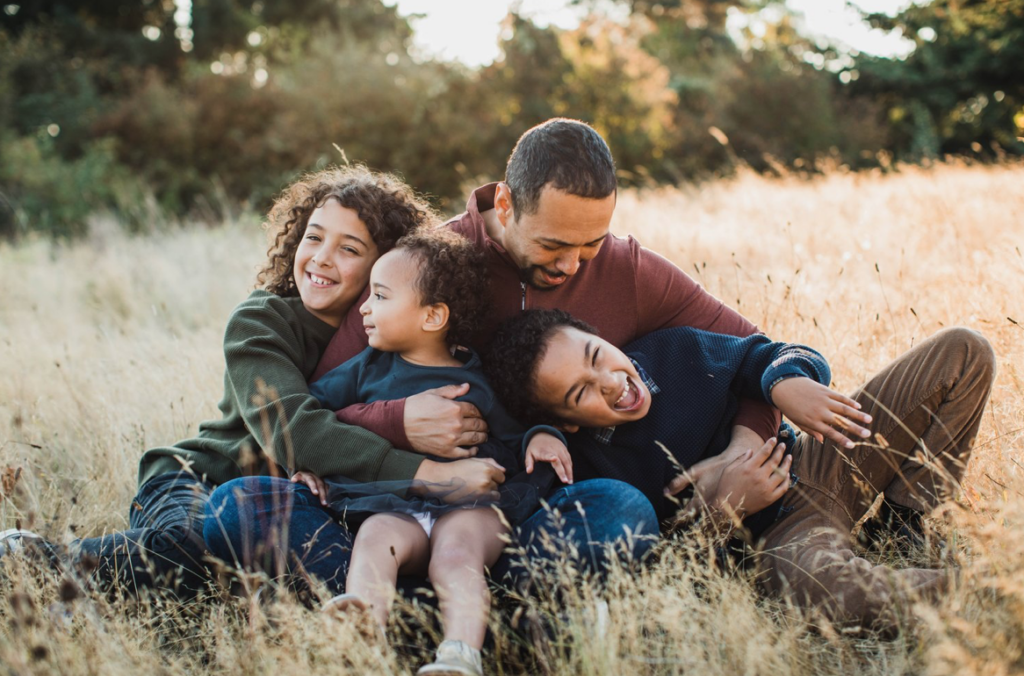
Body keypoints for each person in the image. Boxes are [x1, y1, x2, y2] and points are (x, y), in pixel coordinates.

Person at [205, 118, 851, 594]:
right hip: (394, 506)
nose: (571, 264)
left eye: (589, 244)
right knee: (241, 506)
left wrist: (745, 445)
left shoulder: (629, 270)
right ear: (505, 204)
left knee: (620, 512)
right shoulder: (428, 266)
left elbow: (750, 353)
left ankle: (459, 607)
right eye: (553, 244)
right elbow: (329, 396)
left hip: (518, 515)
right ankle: (426, 608)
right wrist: (396, 422)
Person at [0, 165, 435, 596]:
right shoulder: (262, 320)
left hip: (283, 501)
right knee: (193, 548)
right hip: (196, 479)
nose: (321, 257)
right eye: (314, 237)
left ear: (387, 265)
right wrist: (422, 474)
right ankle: (32, 560)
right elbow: (292, 431)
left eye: (349, 249)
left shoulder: (392, 338)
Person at [484, 309, 996, 629]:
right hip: (779, 537)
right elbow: (666, 572)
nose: (611, 382)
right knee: (837, 593)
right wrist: (723, 512)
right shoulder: (594, 474)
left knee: (963, 351)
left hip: (824, 457)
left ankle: (901, 522)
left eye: (597, 356)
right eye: (582, 393)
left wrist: (789, 380)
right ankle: (991, 595)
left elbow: (769, 355)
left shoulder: (672, 351)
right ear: (564, 422)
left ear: (600, 336)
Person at [299, 229, 572, 676]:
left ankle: (460, 655)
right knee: (374, 539)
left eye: (380, 296)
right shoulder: (367, 367)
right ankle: (365, 632)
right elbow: (313, 412)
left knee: (456, 554)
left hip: (471, 507)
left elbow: (519, 424)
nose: (364, 308)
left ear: (432, 317)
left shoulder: (477, 379)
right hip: (397, 504)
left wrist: (542, 435)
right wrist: (304, 463)